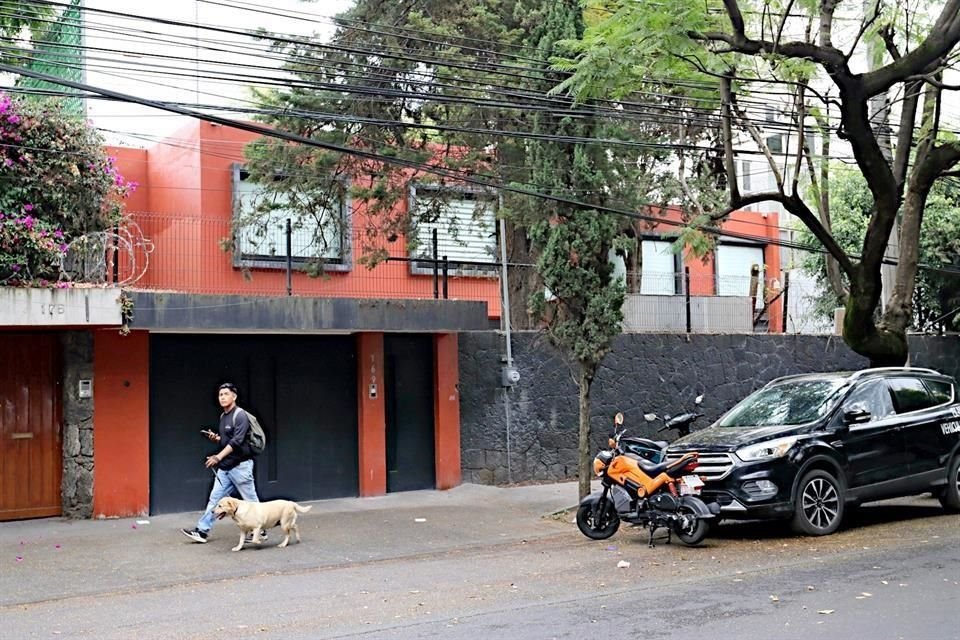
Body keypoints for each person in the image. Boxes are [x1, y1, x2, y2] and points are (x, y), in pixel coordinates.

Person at [181, 382, 264, 543]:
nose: (223, 397)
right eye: (220, 395)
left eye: (226, 394)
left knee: (251, 502)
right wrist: (217, 439)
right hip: (225, 468)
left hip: (241, 467)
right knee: (215, 499)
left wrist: (217, 457)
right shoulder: (223, 416)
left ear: (234, 396)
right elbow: (227, 440)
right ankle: (202, 531)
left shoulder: (240, 415)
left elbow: (237, 441)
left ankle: (261, 531)